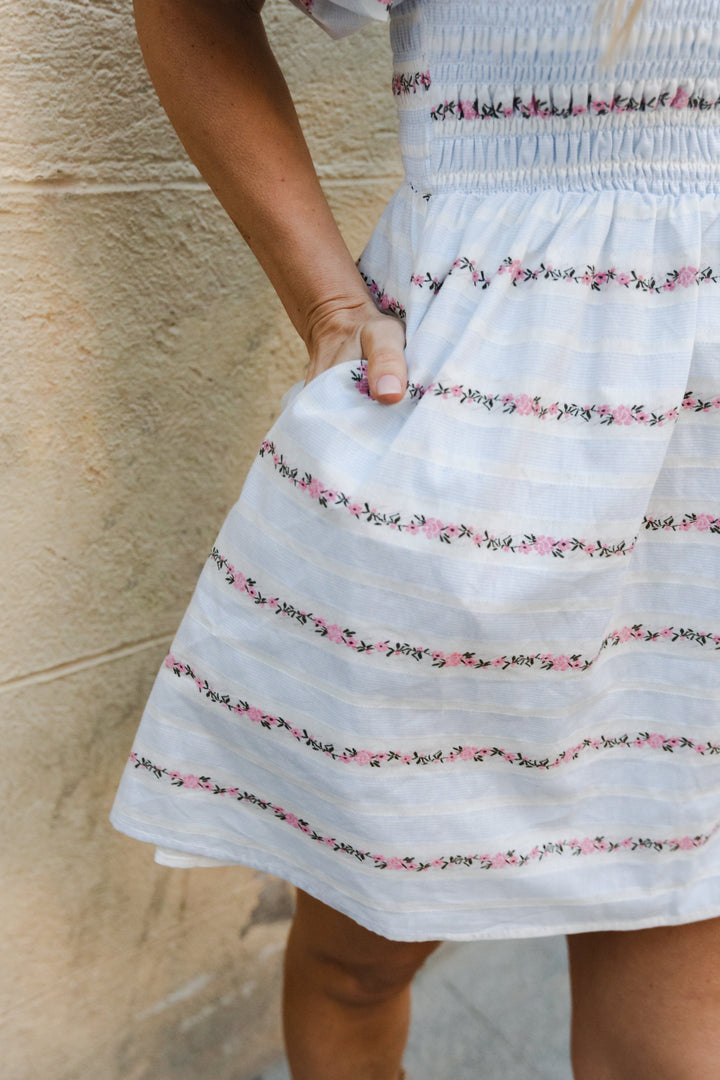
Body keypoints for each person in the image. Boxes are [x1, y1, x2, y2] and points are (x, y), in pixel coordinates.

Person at [111, 0, 720, 1076]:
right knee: (359, 961)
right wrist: (327, 305)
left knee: (668, 1027)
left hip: (698, 500)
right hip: (468, 464)